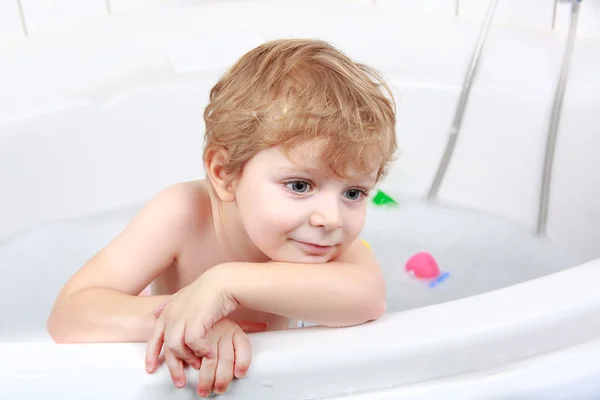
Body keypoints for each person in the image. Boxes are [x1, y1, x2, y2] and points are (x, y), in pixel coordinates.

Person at [47, 38, 397, 397]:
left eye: (353, 193)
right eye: (300, 185)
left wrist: (224, 283)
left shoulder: (321, 236)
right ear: (224, 171)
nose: (331, 218)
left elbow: (369, 298)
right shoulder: (183, 213)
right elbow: (69, 313)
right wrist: (185, 320)